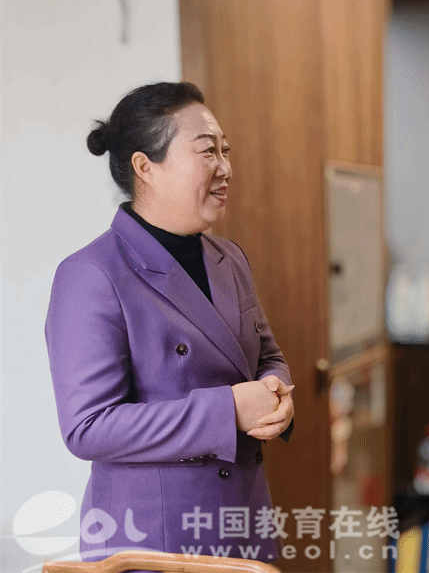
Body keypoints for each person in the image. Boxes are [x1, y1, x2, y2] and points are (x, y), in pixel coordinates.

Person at [45, 82, 294, 563]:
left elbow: (267, 355)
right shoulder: (91, 274)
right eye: (207, 151)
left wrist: (276, 393)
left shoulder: (229, 258)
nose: (225, 167)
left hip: (243, 519)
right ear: (145, 167)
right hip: (154, 540)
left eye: (225, 150)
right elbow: (88, 427)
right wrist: (228, 410)